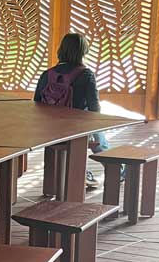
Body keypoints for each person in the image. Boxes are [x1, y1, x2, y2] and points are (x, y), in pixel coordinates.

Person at [34, 32, 109, 189]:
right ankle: (115, 170)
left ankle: (74, 174)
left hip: (49, 129)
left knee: (91, 132)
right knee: (98, 132)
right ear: (83, 51)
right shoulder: (86, 74)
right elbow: (94, 108)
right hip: (76, 129)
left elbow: (36, 103)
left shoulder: (47, 74)